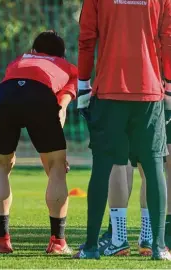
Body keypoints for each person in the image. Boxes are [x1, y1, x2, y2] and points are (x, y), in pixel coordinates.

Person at [75, 0, 171, 260]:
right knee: (153, 167)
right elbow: (168, 37)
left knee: (103, 166)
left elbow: (87, 39)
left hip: (109, 89)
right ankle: (158, 246)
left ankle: (93, 246)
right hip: (149, 91)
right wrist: (169, 82)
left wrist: (83, 85)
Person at [0, 30, 77, 254]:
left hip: (4, 95)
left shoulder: (20, 59)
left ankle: (2, 241)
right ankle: (57, 243)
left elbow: (15, 84)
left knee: (0, 167)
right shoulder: (67, 66)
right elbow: (72, 86)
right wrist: (62, 106)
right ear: (61, 55)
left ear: (34, 51)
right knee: (56, 168)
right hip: (40, 95)